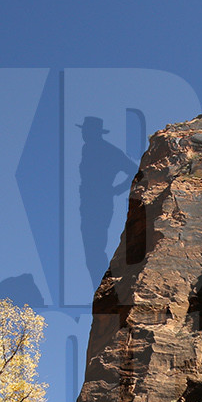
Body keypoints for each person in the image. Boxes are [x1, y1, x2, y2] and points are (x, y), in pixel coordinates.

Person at [77, 116, 137, 288]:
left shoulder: (106, 150)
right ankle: (101, 284)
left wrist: (116, 190)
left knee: (94, 245)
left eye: (86, 130)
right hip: (90, 201)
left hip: (99, 201)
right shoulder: (87, 149)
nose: (84, 134)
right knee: (91, 246)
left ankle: (104, 284)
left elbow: (133, 169)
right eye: (83, 130)